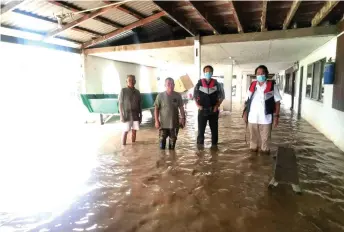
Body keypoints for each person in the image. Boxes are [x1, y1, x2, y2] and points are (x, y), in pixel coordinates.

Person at [243, 65, 282, 154]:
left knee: (265, 144)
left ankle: (264, 163)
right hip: (252, 118)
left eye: (262, 73)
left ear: (266, 74)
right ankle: (253, 163)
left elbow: (277, 102)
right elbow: (247, 101)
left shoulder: (272, 86)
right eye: (258, 73)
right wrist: (245, 113)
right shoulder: (252, 85)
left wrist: (276, 117)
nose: (260, 75)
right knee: (253, 143)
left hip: (266, 119)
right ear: (256, 75)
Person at [194, 65, 225, 146]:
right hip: (202, 111)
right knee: (201, 132)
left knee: (214, 131)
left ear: (212, 73)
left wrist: (217, 106)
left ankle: (214, 149)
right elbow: (194, 96)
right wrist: (198, 106)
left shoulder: (217, 84)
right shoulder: (199, 84)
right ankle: (200, 150)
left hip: (213, 111)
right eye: (206, 71)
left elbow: (222, 96)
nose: (208, 73)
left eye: (209, 71)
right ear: (204, 73)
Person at [154, 78, 186, 150]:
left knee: (172, 147)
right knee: (162, 146)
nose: (170, 85)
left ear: (174, 85)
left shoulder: (178, 95)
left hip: (174, 124)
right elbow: (156, 109)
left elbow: (181, 108)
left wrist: (183, 118)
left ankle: (172, 160)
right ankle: (163, 160)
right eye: (168, 84)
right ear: (165, 85)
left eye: (172, 84)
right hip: (163, 125)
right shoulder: (160, 96)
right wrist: (156, 121)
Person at [118, 75, 142, 145]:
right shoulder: (123, 91)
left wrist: (141, 116)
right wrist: (121, 116)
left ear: (135, 81)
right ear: (126, 81)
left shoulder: (137, 92)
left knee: (134, 131)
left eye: (133, 80)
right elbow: (120, 104)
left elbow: (140, 105)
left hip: (135, 115)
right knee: (125, 131)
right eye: (129, 80)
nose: (131, 81)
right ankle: (123, 147)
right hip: (126, 115)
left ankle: (134, 146)